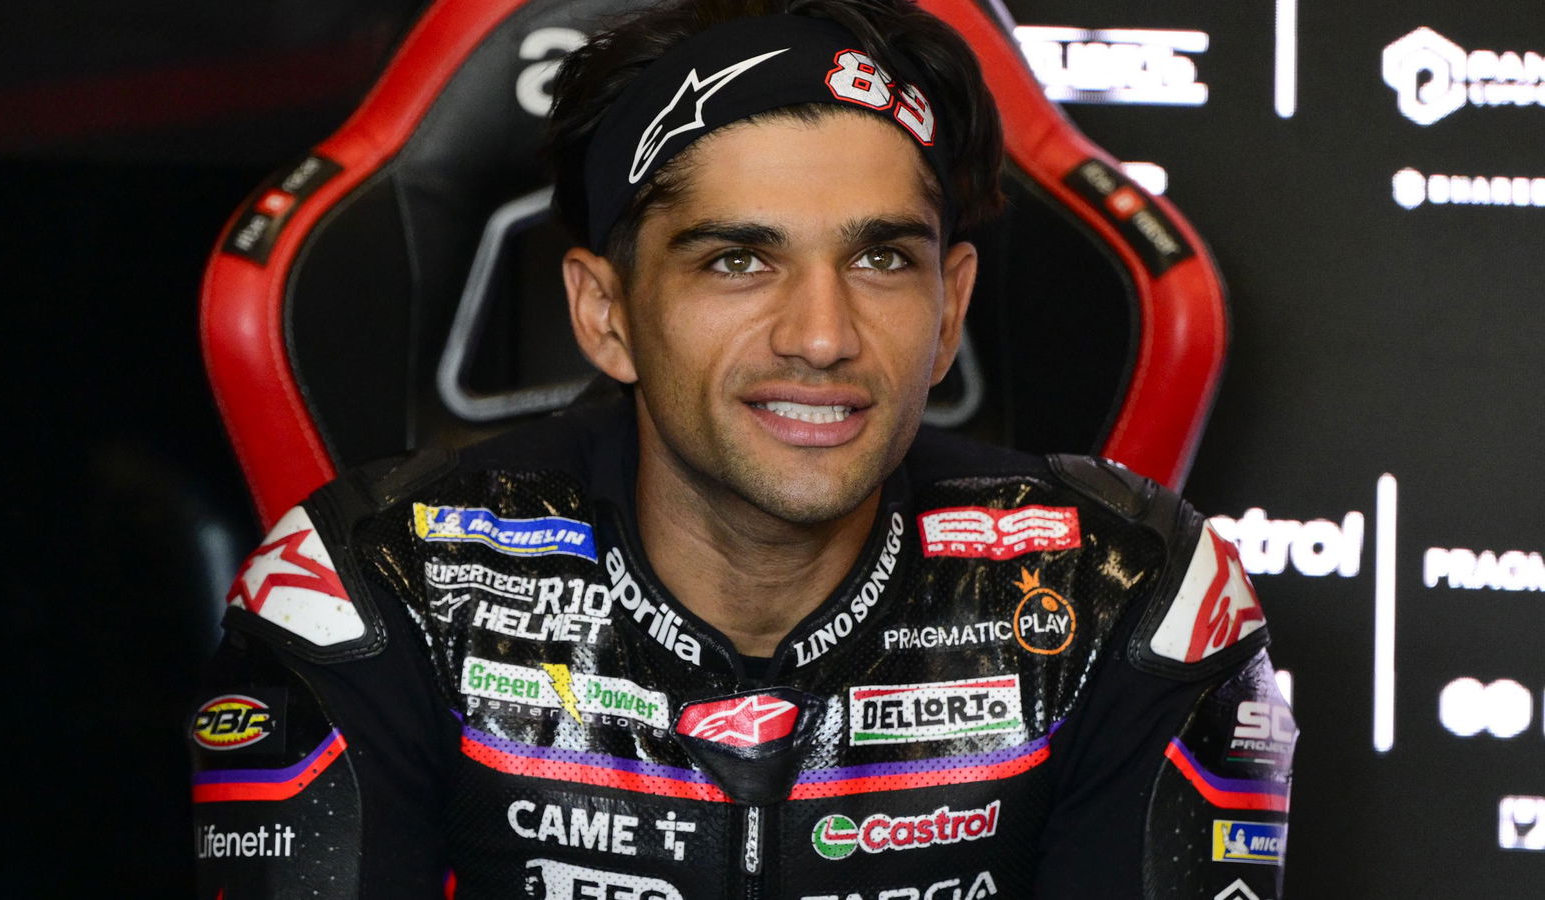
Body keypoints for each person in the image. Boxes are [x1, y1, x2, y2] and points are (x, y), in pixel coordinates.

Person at [189, 0, 1293, 897]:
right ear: (605, 313)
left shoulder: (1126, 594)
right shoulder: (379, 583)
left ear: (951, 305)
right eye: (737, 261)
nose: (821, 336)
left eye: (881, 260)